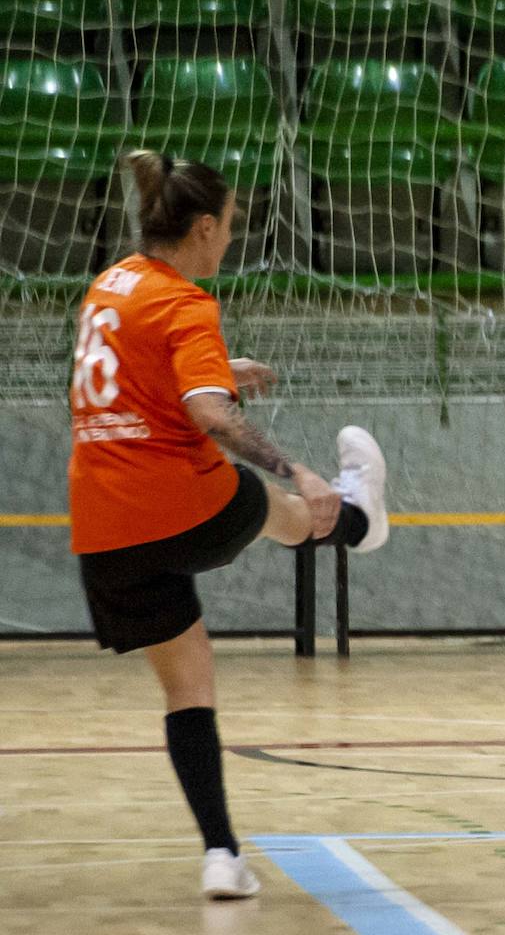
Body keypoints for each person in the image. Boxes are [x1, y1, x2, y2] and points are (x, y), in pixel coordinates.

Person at [68, 151, 389, 899]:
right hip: (177, 500)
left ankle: (222, 856)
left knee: (189, 687)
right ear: (204, 227)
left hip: (103, 529)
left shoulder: (108, 285)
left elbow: (142, 369)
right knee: (268, 505)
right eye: (231, 226)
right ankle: (353, 517)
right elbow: (208, 415)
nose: (232, 239)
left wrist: (212, 365)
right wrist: (295, 469)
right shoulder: (186, 303)